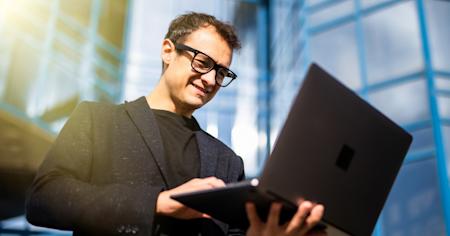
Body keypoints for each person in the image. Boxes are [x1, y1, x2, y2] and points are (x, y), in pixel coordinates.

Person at [26, 12, 324, 236]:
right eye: (203, 62)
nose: (210, 79)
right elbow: (44, 200)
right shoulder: (97, 120)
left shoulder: (228, 161)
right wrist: (157, 203)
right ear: (168, 51)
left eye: (222, 72)